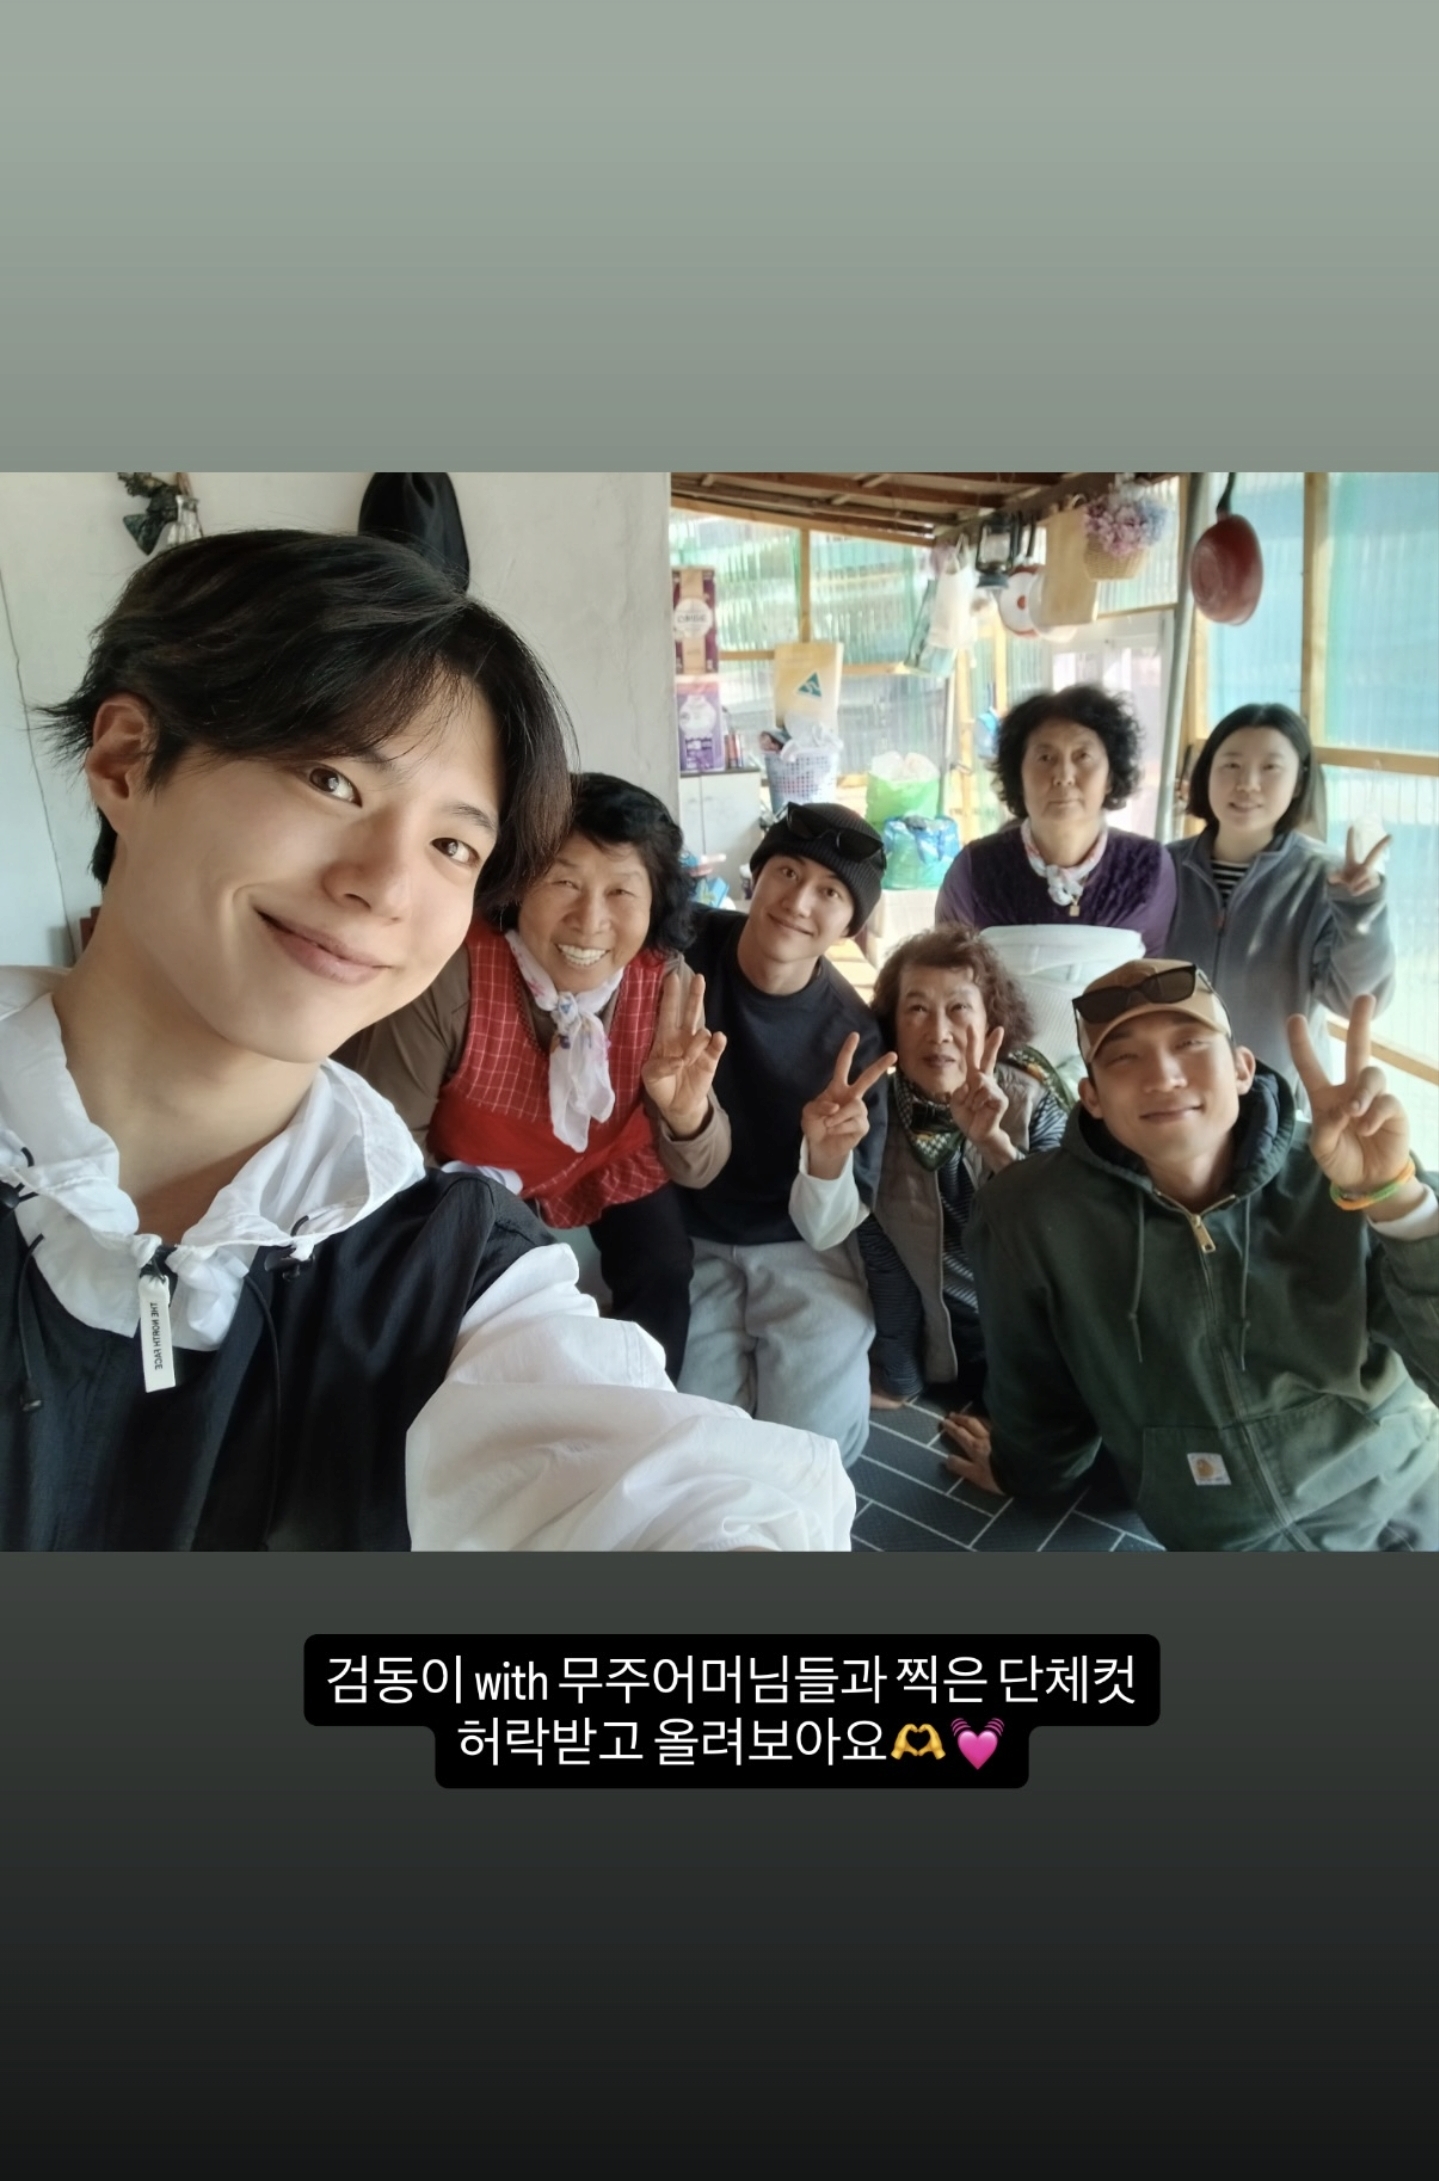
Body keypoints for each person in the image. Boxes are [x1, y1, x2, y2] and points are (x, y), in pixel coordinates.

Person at [0, 530, 854, 1551]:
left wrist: (682, 1114)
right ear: (128, 761)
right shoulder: (459, 989)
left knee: (657, 1270)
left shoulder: (446, 1273)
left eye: (452, 843)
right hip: (506, 1185)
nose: (386, 887)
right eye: (331, 781)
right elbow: (408, 1126)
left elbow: (655, 1490)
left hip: (583, 1196)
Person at [944, 960, 1439, 1552]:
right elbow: (1036, 1392)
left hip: (1408, 1492)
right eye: (1124, 1057)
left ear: (1242, 1068)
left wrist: (1398, 1201)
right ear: (1091, 1097)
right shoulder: (1032, 1215)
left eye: (1190, 1044)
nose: (1164, 1075)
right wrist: (1023, 1476)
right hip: (1223, 1533)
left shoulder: (1341, 1171)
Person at [339, 772, 724, 1379]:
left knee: (663, 1268)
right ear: (517, 883)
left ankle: (646, 1406)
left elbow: (700, 1167)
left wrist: (684, 1113)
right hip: (471, 1176)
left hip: (608, 1160)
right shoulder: (451, 975)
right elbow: (384, 1155)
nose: (589, 921)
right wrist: (467, 1218)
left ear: (656, 904)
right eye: (563, 881)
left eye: (621, 892)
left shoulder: (665, 984)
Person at [671, 802, 895, 1468]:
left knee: (810, 1447)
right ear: (756, 876)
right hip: (689, 1236)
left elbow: (828, 1227)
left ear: (850, 923)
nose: (798, 901)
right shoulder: (682, 947)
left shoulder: (853, 1039)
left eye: (829, 892)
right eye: (787, 873)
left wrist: (826, 1158)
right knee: (698, 1440)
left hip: (803, 1250)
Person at [857, 925, 1067, 1419]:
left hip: (1042, 1342)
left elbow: (1064, 1243)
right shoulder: (873, 1117)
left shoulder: (1035, 1102)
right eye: (916, 1009)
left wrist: (994, 1144)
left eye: (958, 1008)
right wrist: (900, 1380)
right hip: (947, 1340)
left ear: (992, 1021)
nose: (938, 1033)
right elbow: (886, 1268)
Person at [1166, 702, 1395, 1093]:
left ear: (1299, 783)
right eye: (1231, 765)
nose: (1247, 783)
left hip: (1278, 1100)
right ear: (1206, 773)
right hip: (1174, 1087)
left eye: (1270, 767)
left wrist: (1360, 909)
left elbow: (1357, 1000)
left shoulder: (1328, 878)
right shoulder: (1164, 868)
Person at [936, 684, 1175, 952]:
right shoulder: (974, 871)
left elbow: (1157, 967)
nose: (1063, 775)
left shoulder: (1149, 868)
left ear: (1110, 776)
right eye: (1045, 757)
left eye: (1082, 756)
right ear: (1018, 776)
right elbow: (946, 967)